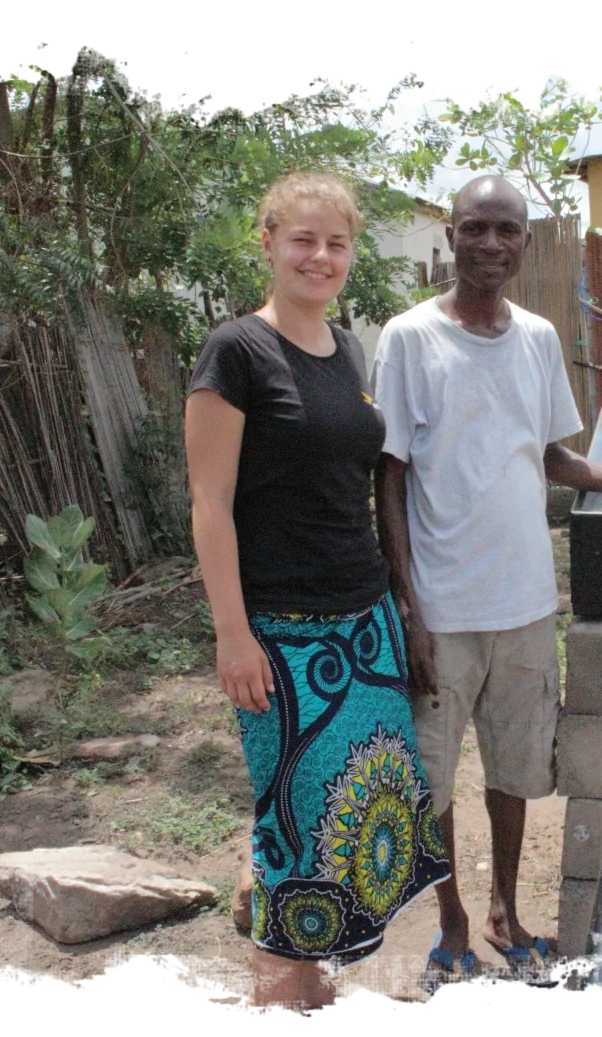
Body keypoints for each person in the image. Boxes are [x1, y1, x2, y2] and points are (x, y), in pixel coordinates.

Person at [370, 174, 602, 994]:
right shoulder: (408, 337)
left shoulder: (537, 337)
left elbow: (553, 458)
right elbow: (388, 473)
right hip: (442, 607)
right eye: (476, 229)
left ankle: (505, 909)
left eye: (507, 230)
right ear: (452, 234)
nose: (491, 245)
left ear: (524, 241)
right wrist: (408, 603)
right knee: (434, 781)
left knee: (514, 772)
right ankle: (453, 922)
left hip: (527, 604)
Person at [184, 171, 451, 1020]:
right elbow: (209, 505)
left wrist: (398, 613)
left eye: (335, 243)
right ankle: (278, 1006)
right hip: (283, 637)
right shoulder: (236, 352)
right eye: (303, 239)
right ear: (267, 242)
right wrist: (233, 634)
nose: (321, 256)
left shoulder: (345, 349)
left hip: (362, 628)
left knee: (343, 824)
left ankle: (317, 989)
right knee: (289, 838)